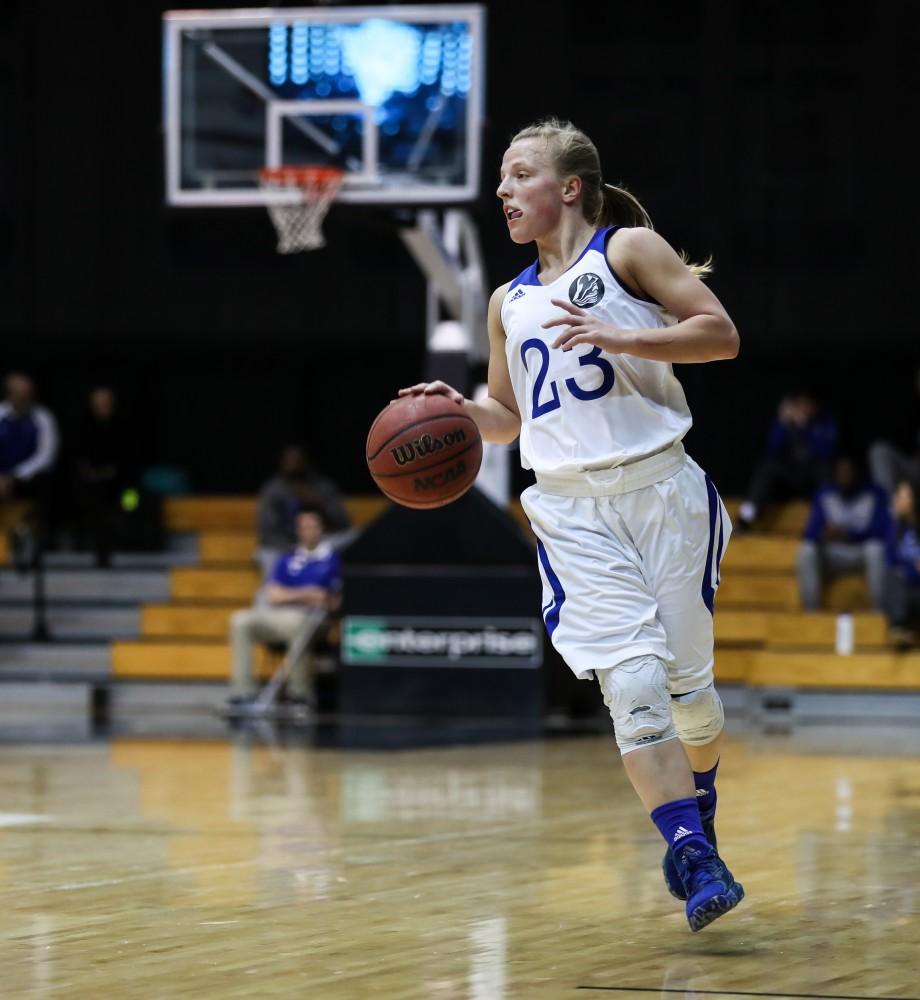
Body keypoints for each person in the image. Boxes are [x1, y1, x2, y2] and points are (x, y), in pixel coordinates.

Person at [399, 119, 743, 931]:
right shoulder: (506, 301)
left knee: (689, 691)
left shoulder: (627, 253)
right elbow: (510, 417)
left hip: (663, 492)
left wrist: (625, 333)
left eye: (519, 175)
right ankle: (692, 851)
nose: (503, 191)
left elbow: (721, 335)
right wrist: (458, 414)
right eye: (502, 179)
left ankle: (703, 796)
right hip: (570, 506)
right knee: (629, 680)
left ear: (570, 187)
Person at [228, 504, 341, 713]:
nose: (307, 531)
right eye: (303, 527)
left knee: (297, 624)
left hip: (316, 621)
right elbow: (272, 595)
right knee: (240, 621)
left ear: (322, 529)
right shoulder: (287, 559)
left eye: (312, 526)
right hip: (280, 616)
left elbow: (333, 600)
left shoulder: (333, 560)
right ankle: (242, 694)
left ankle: (300, 696)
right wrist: (308, 593)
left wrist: (291, 595)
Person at [736, 390, 838, 532]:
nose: (802, 408)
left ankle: (829, 523)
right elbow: (772, 449)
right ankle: (746, 518)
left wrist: (804, 426)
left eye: (807, 404)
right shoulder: (787, 421)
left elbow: (824, 452)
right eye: (799, 404)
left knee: (825, 471)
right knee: (768, 467)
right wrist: (783, 425)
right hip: (789, 476)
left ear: (815, 407)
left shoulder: (825, 422)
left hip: (811, 474)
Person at [796, 456, 890, 611]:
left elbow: (882, 530)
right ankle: (811, 613)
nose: (844, 476)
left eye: (848, 472)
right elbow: (809, 532)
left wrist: (848, 534)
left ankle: (878, 613)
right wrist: (823, 533)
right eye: (841, 472)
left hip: (861, 552)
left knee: (876, 549)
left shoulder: (875, 493)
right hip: (834, 554)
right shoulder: (825, 493)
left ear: (857, 473)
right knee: (806, 550)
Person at [256, 444, 351, 577]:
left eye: (297, 459)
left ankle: (329, 585)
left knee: (354, 536)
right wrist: (295, 549)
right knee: (270, 559)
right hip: (283, 547)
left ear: (305, 461)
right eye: (289, 460)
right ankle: (272, 593)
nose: (293, 463)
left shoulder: (320, 487)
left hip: (319, 543)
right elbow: (268, 533)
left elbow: (344, 524)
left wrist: (319, 502)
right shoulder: (273, 490)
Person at [72, 386, 133, 567]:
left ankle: (121, 542)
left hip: (121, 485)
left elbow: (129, 461)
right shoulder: (84, 427)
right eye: (99, 404)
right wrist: (91, 473)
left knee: (127, 501)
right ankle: (86, 545)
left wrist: (111, 473)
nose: (103, 407)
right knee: (90, 499)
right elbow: (78, 456)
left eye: (106, 403)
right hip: (90, 483)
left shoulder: (123, 427)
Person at [0, 373, 59, 505]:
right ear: (9, 394)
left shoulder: (43, 417)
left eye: (28, 394)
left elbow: (46, 456)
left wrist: (15, 476)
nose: (25, 398)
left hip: (29, 480)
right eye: (20, 394)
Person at [883, 480, 920, 647]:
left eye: (905, 496)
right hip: (905, 590)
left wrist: (907, 569)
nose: (899, 500)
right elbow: (891, 562)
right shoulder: (895, 528)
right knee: (892, 575)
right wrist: (912, 568)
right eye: (898, 496)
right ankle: (899, 629)